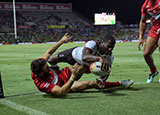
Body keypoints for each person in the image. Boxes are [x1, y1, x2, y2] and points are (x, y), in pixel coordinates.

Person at [30, 33, 134, 97]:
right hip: (65, 85)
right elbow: (61, 92)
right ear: (40, 74)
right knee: (91, 83)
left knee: (52, 59)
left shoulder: (40, 63)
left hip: (63, 73)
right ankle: (120, 83)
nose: (47, 67)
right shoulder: (41, 84)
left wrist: (61, 41)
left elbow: (48, 53)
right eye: (46, 69)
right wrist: (73, 77)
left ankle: (56, 67)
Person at [48, 33, 116, 84]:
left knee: (74, 79)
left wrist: (102, 80)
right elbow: (84, 57)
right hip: (73, 54)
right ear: (103, 42)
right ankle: (55, 67)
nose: (110, 49)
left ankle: (66, 80)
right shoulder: (93, 43)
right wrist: (99, 58)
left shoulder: (109, 56)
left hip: (85, 65)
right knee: (51, 60)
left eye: (112, 47)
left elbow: (107, 71)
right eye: (108, 46)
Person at [138, 0, 160, 83]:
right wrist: (140, 38)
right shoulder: (146, 5)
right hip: (155, 28)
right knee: (146, 54)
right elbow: (143, 21)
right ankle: (154, 71)